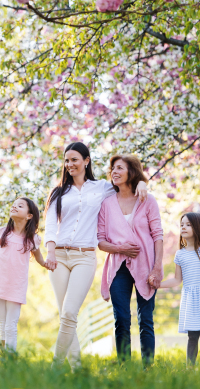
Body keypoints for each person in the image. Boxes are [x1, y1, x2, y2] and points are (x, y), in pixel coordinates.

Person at [44, 142, 148, 369]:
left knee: (70, 311)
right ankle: (77, 367)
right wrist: (50, 252)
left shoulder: (101, 187)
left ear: (86, 161)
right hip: (59, 256)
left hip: (85, 256)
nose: (69, 164)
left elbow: (125, 186)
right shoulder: (58, 191)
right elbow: (50, 225)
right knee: (66, 316)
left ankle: (55, 366)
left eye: (74, 159)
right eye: (66, 160)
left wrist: (141, 182)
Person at [97, 154, 163, 365]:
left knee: (146, 319)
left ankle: (148, 367)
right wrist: (120, 248)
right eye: (112, 169)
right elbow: (100, 241)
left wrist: (157, 268)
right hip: (118, 268)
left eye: (119, 168)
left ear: (131, 172)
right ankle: (124, 367)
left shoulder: (147, 199)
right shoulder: (106, 204)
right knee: (122, 320)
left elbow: (158, 235)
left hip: (146, 266)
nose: (114, 172)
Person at [159, 213, 200, 369]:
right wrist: (158, 285)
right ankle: (190, 367)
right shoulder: (180, 254)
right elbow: (177, 280)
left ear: (198, 228)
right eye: (182, 224)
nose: (183, 227)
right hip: (191, 298)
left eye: (188, 224)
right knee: (192, 335)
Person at [0, 197, 47, 351]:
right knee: (3, 323)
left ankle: (11, 356)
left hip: (16, 286)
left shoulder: (32, 239)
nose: (14, 207)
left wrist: (46, 264)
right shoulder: (3, 232)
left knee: (11, 325)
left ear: (29, 215)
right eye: (14, 205)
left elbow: (39, 258)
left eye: (20, 206)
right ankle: (5, 357)